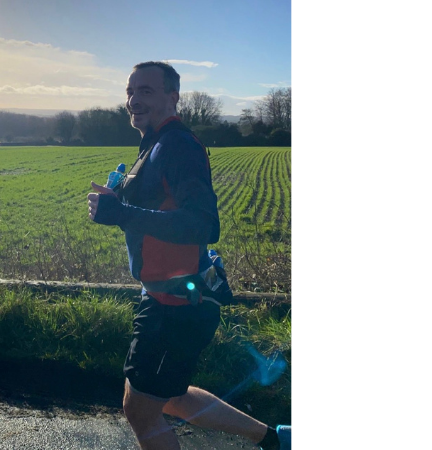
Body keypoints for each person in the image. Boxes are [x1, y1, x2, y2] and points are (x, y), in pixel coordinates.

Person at [87, 61, 291, 450]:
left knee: (140, 410)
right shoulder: (155, 143)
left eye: (146, 91)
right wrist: (119, 201)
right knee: (170, 397)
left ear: (173, 97)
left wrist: (122, 213)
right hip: (168, 298)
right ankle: (275, 440)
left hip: (177, 307)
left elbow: (202, 224)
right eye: (130, 91)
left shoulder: (177, 145)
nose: (133, 100)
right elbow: (161, 210)